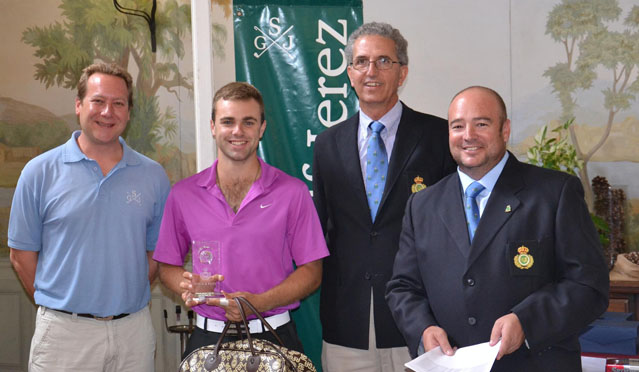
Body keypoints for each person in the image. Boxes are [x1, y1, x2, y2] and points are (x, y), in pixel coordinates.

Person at [386, 86, 610, 371]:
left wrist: (527, 322)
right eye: (457, 126)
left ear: (505, 130)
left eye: (481, 124)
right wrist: (423, 329)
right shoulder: (422, 206)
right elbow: (403, 287)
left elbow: (589, 285)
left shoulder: (555, 193)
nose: (468, 135)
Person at [8, 62, 171, 372]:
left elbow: (155, 253)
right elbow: (21, 256)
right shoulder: (39, 172)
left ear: (128, 111)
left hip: (133, 334)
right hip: (63, 336)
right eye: (98, 100)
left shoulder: (153, 176)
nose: (107, 112)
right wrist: (63, 305)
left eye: (118, 103)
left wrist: (123, 296)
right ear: (79, 105)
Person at [312, 22, 456, 372]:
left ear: (402, 72)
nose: (371, 71)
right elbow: (321, 229)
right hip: (348, 323)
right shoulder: (327, 145)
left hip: (423, 322)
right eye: (361, 62)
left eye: (383, 61)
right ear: (349, 73)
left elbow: (455, 230)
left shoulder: (438, 136)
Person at [153, 81, 329, 358]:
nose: (237, 131)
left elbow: (312, 271)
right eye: (227, 121)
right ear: (213, 127)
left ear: (262, 128)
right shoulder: (183, 194)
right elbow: (167, 267)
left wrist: (257, 303)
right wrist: (186, 285)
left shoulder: (292, 192)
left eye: (248, 122)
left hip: (275, 337)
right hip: (207, 339)